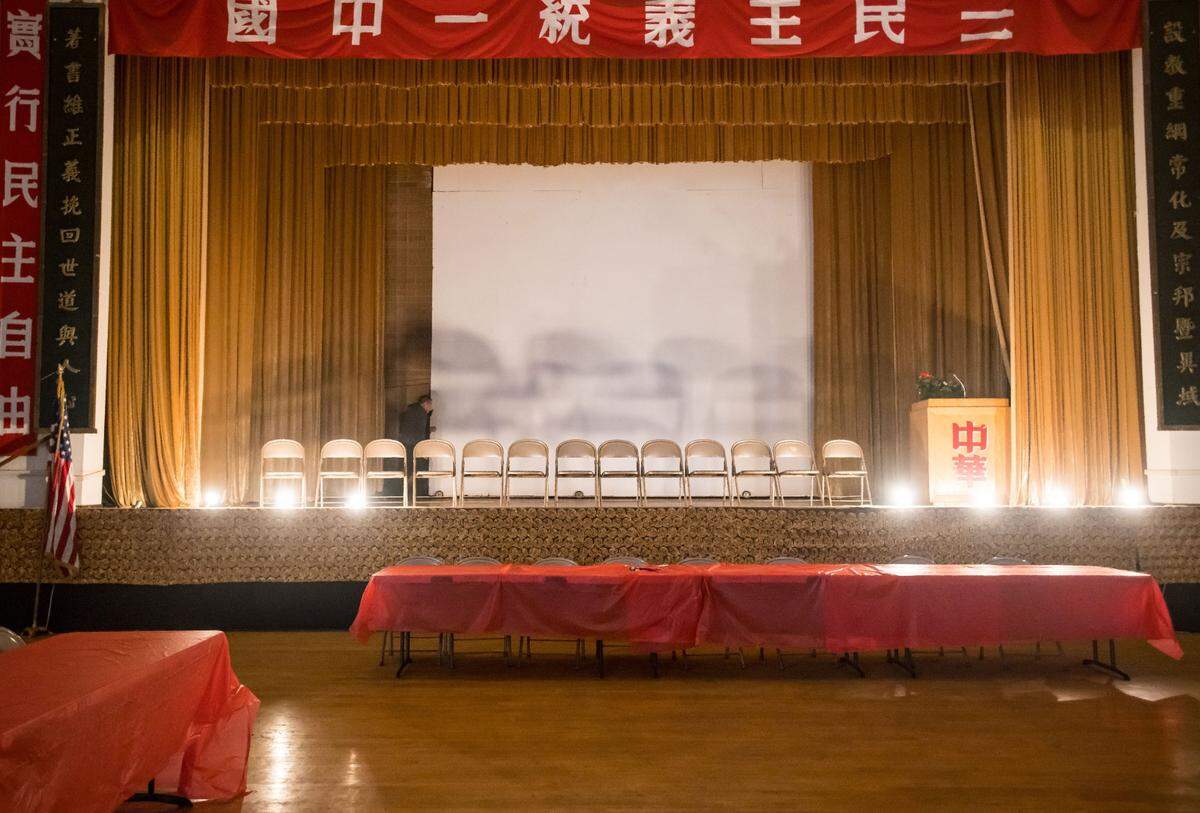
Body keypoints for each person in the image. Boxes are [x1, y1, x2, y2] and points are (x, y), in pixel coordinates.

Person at [398, 395, 434, 502]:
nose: (431, 408)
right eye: (430, 405)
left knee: (407, 469)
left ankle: (405, 494)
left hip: (404, 443)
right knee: (415, 470)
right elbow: (419, 433)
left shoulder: (410, 410)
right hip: (413, 445)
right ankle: (411, 494)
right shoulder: (421, 413)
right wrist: (422, 450)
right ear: (426, 404)